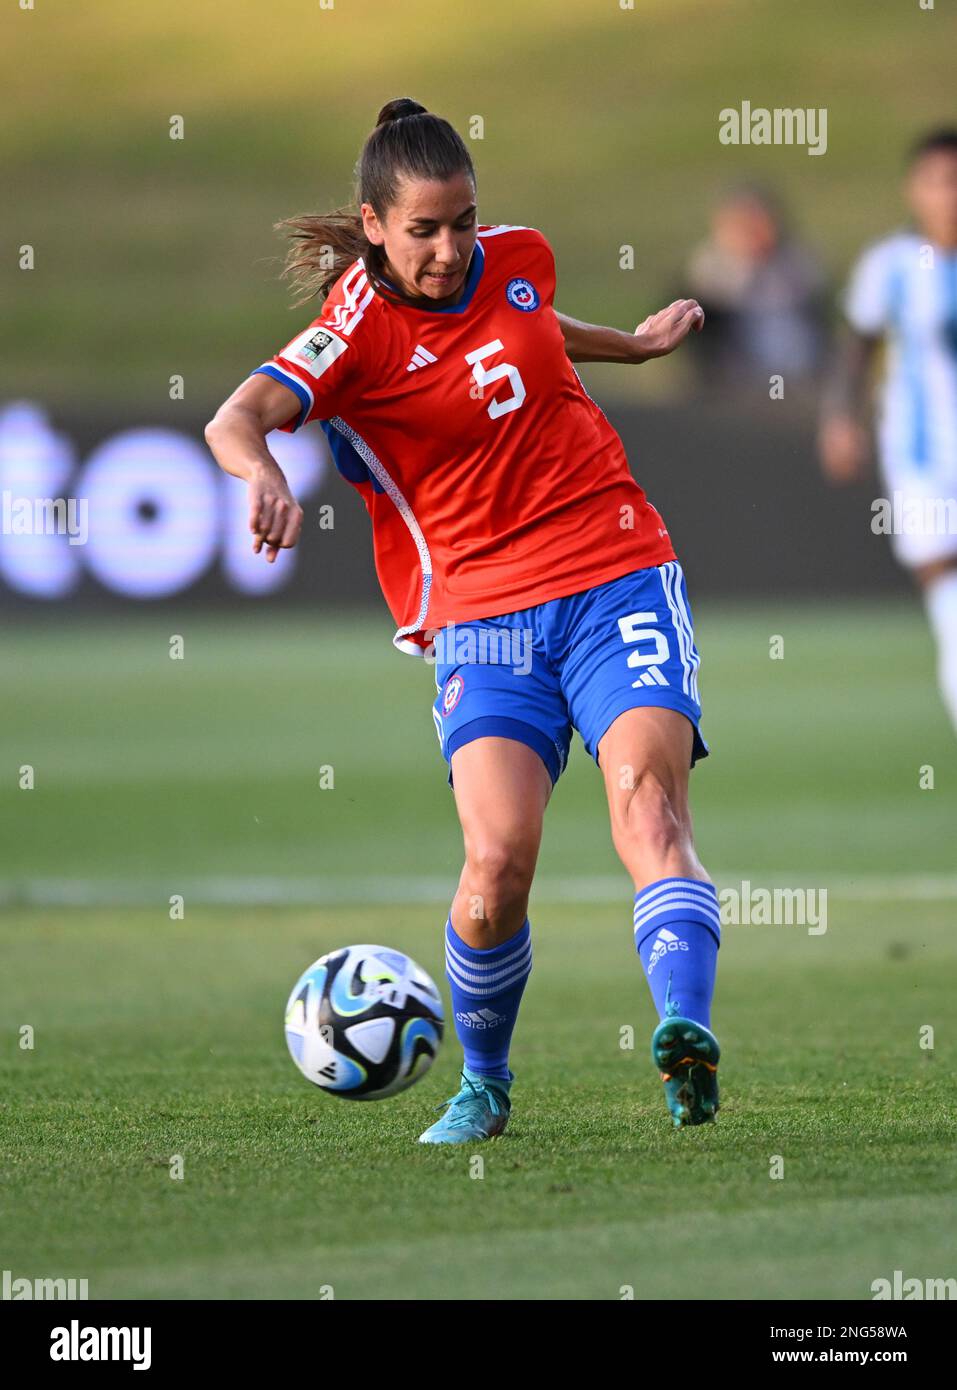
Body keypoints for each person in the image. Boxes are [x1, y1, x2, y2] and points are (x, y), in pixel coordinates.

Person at [204, 98, 721, 1140]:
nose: (451, 250)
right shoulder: (350, 334)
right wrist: (260, 475)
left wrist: (631, 343)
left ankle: (682, 1035)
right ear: (376, 225)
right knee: (496, 865)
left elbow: (528, 325)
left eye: (464, 223)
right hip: (480, 612)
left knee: (648, 814)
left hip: (615, 566)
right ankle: (484, 1082)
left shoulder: (517, 256)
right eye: (426, 230)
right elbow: (235, 417)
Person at [820, 128, 957, 736]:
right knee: (950, 598)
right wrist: (840, 418)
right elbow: (856, 347)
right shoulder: (892, 267)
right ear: (916, 189)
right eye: (942, 181)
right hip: (925, 462)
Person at [685, 183, 826, 387]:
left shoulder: (796, 264)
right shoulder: (709, 270)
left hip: (801, 374)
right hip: (736, 378)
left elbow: (816, 318)